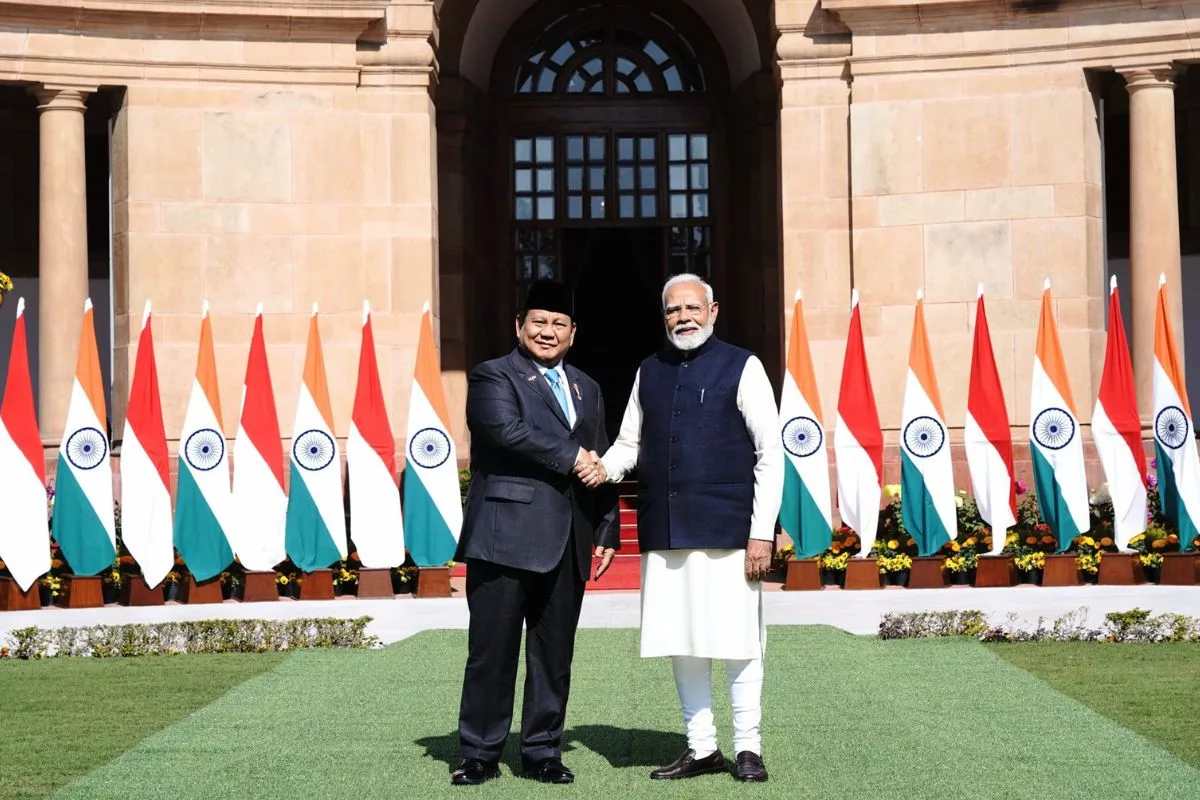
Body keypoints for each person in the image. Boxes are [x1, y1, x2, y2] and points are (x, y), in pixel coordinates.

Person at [595, 273, 783, 783]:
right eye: (674, 310)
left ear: (713, 310)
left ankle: (748, 748)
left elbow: (771, 454)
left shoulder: (744, 366)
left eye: (693, 307)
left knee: (739, 640)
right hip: (667, 530)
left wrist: (761, 532)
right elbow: (629, 443)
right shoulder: (648, 370)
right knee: (682, 640)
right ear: (664, 318)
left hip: (729, 532)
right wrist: (602, 468)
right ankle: (702, 748)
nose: (684, 317)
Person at [451, 279, 619, 787]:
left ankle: (542, 750)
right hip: (505, 536)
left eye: (559, 324)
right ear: (519, 326)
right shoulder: (492, 375)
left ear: (573, 333)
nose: (548, 332)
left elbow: (601, 452)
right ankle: (479, 752)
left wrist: (607, 526)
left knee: (554, 655)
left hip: (569, 538)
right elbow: (505, 430)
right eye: (539, 322)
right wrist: (572, 458)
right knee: (492, 652)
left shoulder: (586, 387)